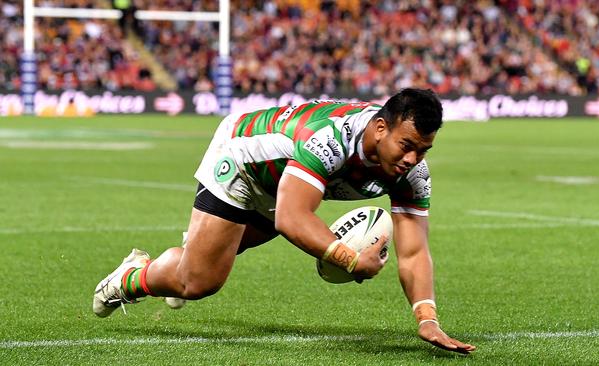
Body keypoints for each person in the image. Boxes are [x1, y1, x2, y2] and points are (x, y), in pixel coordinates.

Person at [93, 88, 476, 354]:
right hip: (243, 160)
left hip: (284, 181)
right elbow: (292, 218)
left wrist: (427, 318)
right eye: (406, 146)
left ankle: (192, 252)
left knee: (205, 258)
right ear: (380, 129)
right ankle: (130, 277)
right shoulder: (332, 140)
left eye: (423, 150)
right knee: (198, 281)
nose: (413, 159)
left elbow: (413, 251)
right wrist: (347, 258)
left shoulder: (412, 174)